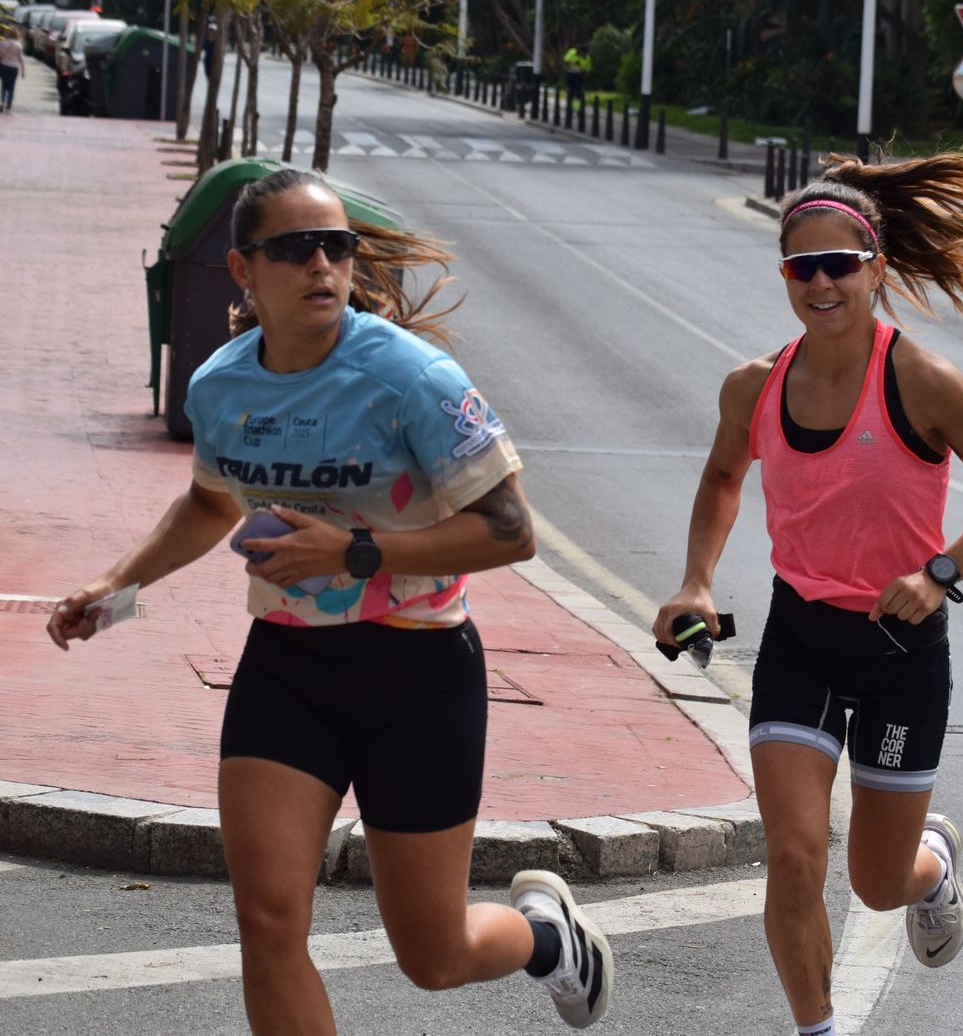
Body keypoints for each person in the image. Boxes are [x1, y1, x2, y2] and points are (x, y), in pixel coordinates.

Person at [47, 168, 613, 1033]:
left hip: (418, 670)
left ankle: (547, 940)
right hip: (289, 667)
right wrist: (117, 584)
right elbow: (210, 501)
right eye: (294, 249)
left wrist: (355, 550)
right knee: (267, 922)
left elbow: (511, 531)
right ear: (242, 270)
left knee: (433, 956)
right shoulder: (222, 385)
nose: (321, 264)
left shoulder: (411, 377)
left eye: (336, 246)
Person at [653, 150, 963, 1036]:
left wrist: (940, 573)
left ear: (876, 268)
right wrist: (696, 582)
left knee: (875, 880)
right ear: (785, 274)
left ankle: (931, 864)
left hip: (901, 653)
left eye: (839, 265)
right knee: (793, 857)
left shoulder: (922, 381)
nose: (821, 283)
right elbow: (722, 479)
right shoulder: (754, 385)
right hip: (800, 639)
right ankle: (816, 1029)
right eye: (802, 268)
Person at [0, 26, 24, 113]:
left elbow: (0, 56)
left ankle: (2, 102)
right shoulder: (19, 45)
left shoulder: (2, 43)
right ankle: (9, 105)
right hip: (14, 68)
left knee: (3, 85)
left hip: (4, 66)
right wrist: (23, 71)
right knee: (11, 87)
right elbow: (20, 58)